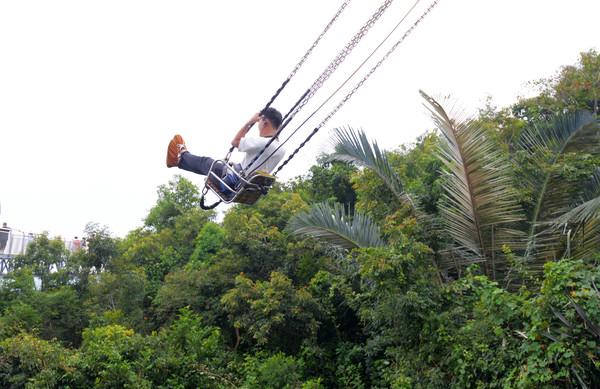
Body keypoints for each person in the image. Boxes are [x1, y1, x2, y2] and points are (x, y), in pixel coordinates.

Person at [166, 108, 286, 195]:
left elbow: (235, 142)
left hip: (233, 183)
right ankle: (180, 159)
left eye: (259, 121)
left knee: (207, 162)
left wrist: (249, 122)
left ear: (265, 122)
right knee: (214, 167)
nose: (258, 124)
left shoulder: (262, 143)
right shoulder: (281, 149)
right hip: (249, 188)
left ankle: (181, 157)